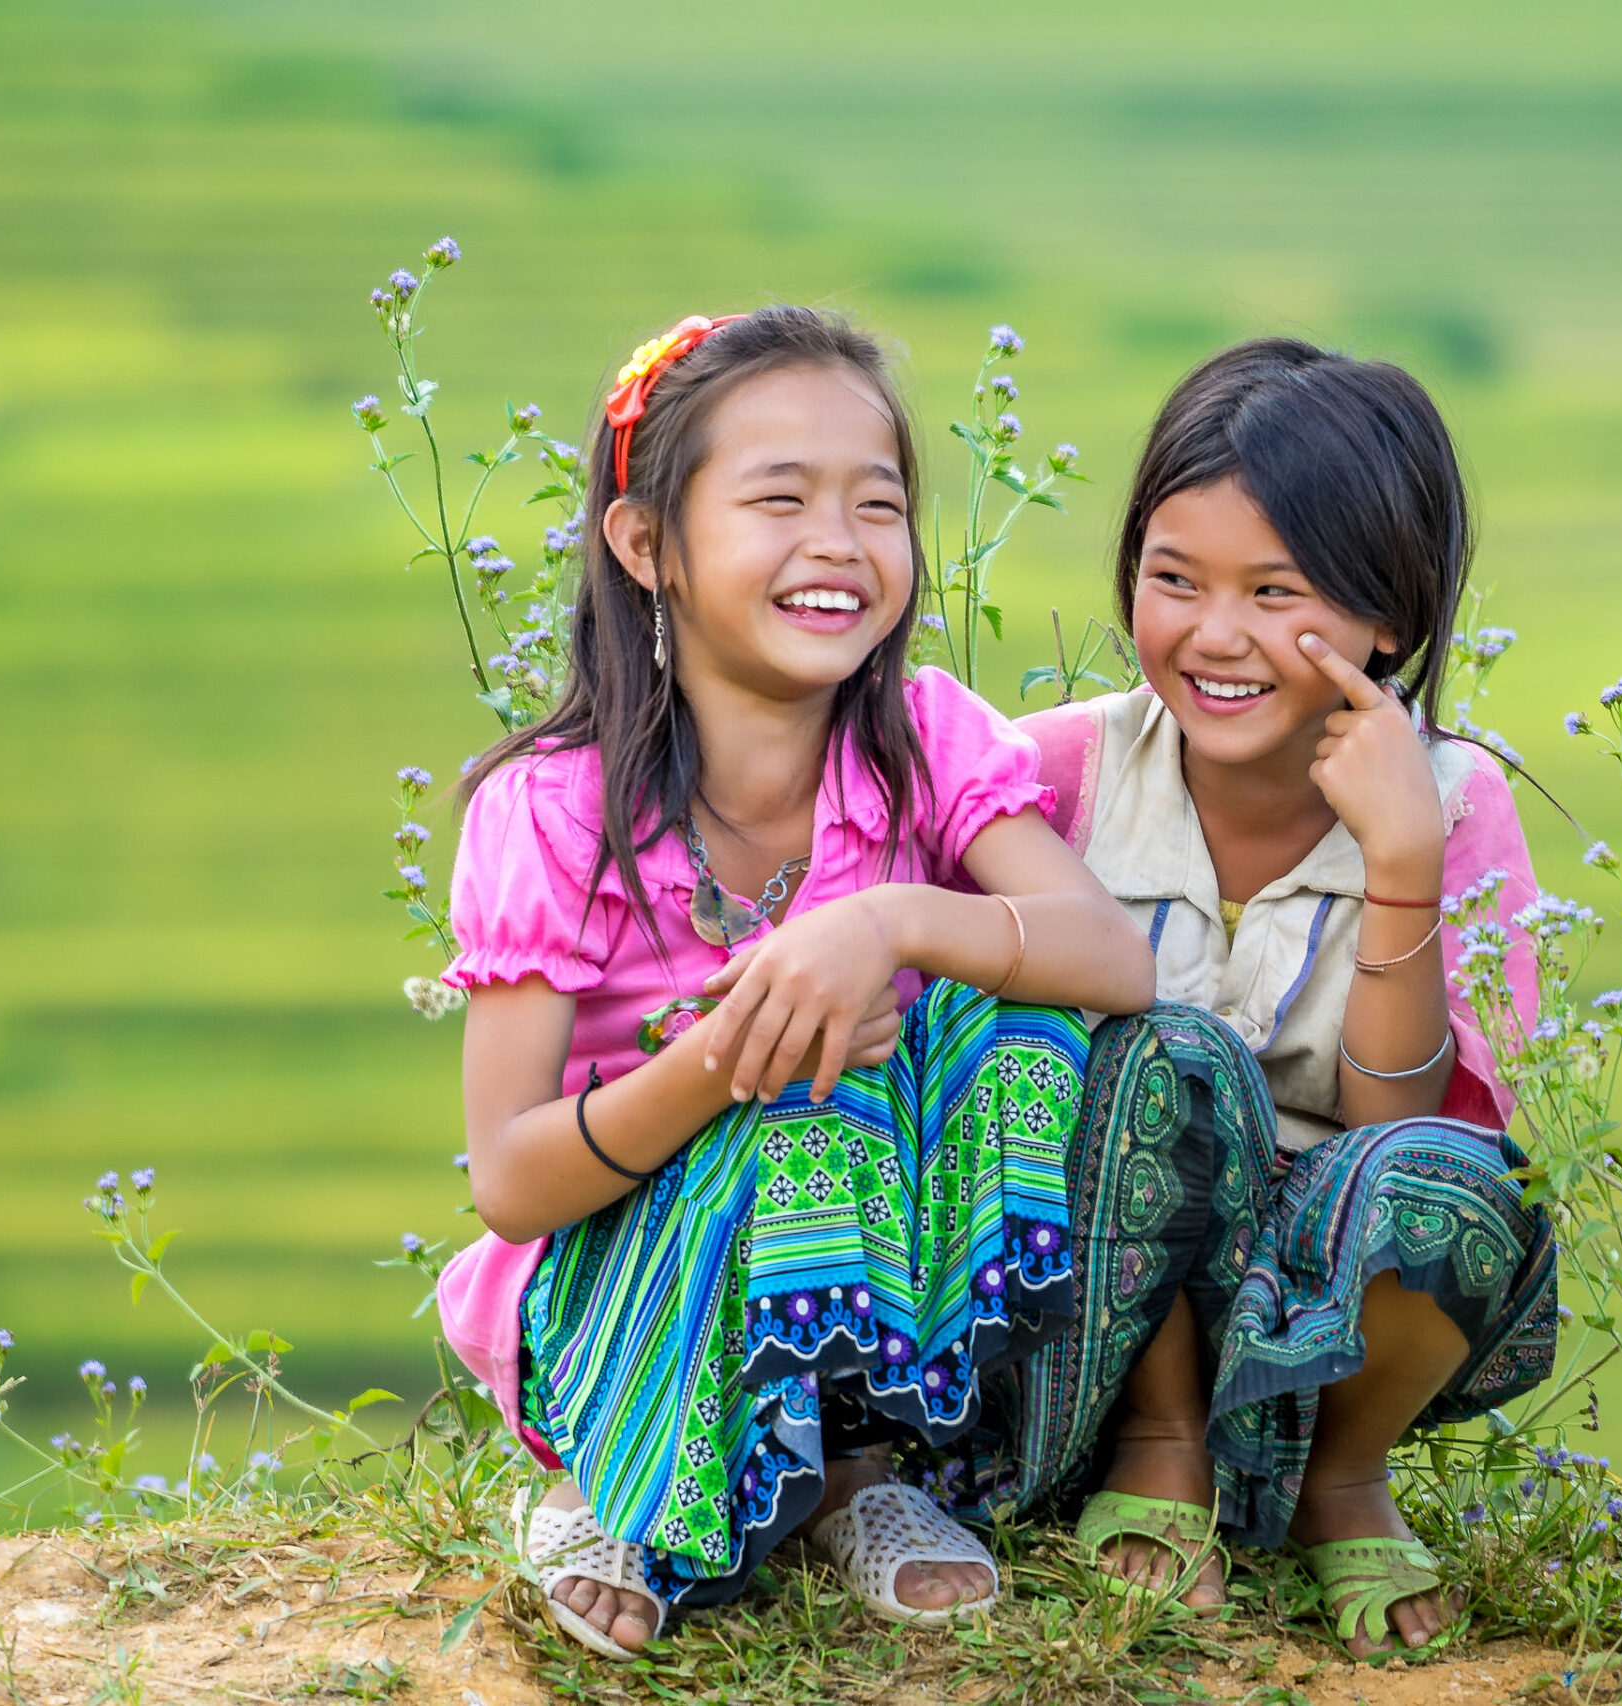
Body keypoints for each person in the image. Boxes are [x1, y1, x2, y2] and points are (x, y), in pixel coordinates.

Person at [432, 307, 1154, 1657]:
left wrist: (886, 920)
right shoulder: (551, 812)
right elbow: (511, 1179)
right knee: (807, 1086)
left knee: (1017, 1026)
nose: (839, 543)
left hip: (856, 1236)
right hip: (621, 1270)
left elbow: (1112, 957)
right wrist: (728, 1055)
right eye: (780, 499)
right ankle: (618, 1479)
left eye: (876, 504)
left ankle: (855, 1470)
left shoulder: (924, 740)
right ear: (647, 543)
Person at [1002, 339, 1561, 1659]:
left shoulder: (1459, 802)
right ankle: (1156, 1442)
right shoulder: (1058, 773)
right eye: (1174, 580)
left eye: (1277, 591)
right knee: (1161, 1057)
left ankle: (1335, 1475)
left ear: (1390, 620)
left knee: (1452, 1178)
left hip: (1331, 1303)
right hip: (1096, 1292)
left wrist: (1403, 865)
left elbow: (1396, 1130)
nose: (1215, 634)